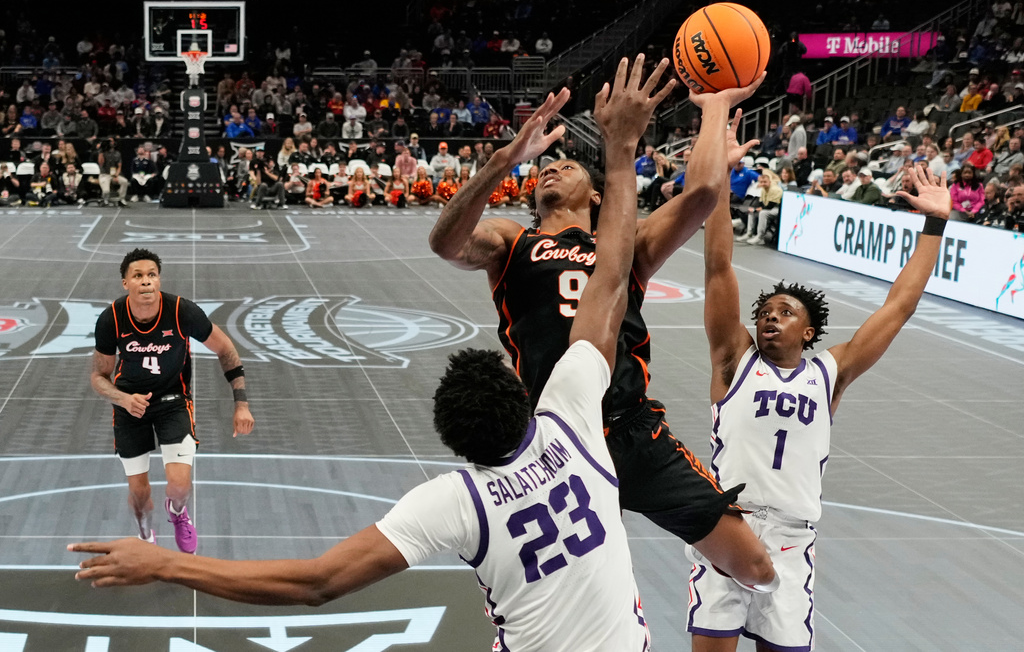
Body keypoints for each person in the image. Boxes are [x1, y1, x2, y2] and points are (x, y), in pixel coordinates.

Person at [71, 64, 665, 652]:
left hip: (171, 408)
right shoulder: (574, 427)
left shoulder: (459, 499)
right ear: (525, 398)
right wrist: (624, 149)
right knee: (757, 570)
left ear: (453, 443)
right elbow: (609, 283)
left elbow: (316, 581)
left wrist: (163, 566)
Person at [428, 56, 778, 590]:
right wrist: (505, 159)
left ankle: (724, 618)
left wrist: (714, 107)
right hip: (551, 441)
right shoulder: (511, 242)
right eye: (546, 166)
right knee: (558, 589)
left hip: (630, 428)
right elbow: (445, 243)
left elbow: (703, 193)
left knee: (754, 567)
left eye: (569, 167)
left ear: (596, 196)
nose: (553, 167)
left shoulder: (628, 244)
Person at [689, 163, 951, 652]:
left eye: (785, 313)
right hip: (729, 524)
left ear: (809, 333)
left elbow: (899, 306)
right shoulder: (734, 359)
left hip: (792, 536)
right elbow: (718, 266)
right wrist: (720, 183)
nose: (770, 318)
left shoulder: (830, 372)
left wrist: (934, 224)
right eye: (765, 313)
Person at [89, 249, 255, 553]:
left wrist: (241, 403)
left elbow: (226, 349)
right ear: (125, 282)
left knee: (179, 484)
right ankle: (145, 535)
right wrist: (123, 399)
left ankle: (178, 513)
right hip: (130, 408)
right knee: (138, 495)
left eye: (152, 274)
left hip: (173, 401)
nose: (146, 282)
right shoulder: (111, 318)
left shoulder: (181, 311)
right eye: (138, 276)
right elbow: (99, 377)